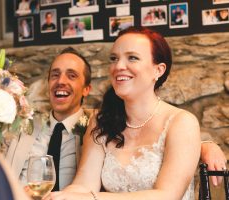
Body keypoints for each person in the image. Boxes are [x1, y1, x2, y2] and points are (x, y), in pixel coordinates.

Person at [44, 27, 227, 200]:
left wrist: (94, 198)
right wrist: (61, 196)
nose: (119, 66)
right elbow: (84, 185)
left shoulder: (181, 122)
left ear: (158, 70)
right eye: (114, 59)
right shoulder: (101, 121)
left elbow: (167, 195)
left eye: (132, 58)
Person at [5, 47, 92, 191]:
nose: (61, 81)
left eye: (72, 76)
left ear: (86, 89)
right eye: (55, 75)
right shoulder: (23, 127)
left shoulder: (96, 129)